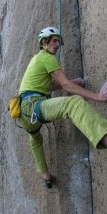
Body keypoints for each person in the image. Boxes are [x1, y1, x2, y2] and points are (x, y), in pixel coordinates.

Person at [18, 27, 107, 189]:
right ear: (44, 42)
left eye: (59, 41)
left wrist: (72, 82)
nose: (58, 44)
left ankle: (45, 175)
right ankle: (104, 136)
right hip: (33, 107)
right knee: (73, 103)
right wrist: (97, 97)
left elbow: (49, 86)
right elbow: (64, 84)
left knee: (35, 140)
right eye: (54, 40)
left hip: (24, 116)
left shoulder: (37, 60)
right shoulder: (47, 57)